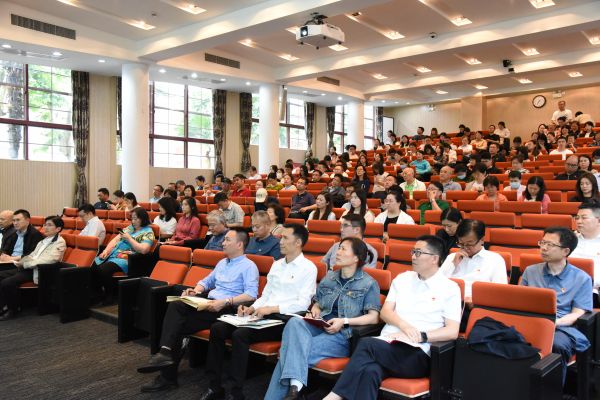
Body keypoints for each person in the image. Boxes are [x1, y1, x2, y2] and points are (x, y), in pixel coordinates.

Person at [323, 235, 460, 400]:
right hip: (387, 344)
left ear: (434, 259)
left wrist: (420, 336)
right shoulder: (403, 279)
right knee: (370, 371)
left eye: (418, 253)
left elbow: (452, 331)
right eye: (413, 251)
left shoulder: (450, 288)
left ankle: (334, 395)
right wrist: (404, 326)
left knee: (366, 344)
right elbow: (385, 312)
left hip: (417, 353)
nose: (413, 256)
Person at [200, 224, 316, 400]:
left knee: (240, 335)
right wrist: (252, 307)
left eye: (285, 238)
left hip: (284, 319)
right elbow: (266, 295)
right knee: (218, 328)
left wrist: (271, 309)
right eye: (281, 237)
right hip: (263, 314)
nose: (280, 241)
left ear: (298, 242)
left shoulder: (308, 268)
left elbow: (302, 303)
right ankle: (214, 386)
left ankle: (236, 392)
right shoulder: (277, 264)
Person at [137, 228, 259, 392]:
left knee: (177, 325)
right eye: (224, 240)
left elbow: (251, 295)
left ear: (239, 245)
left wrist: (226, 301)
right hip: (209, 303)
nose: (223, 243)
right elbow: (207, 281)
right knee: (177, 307)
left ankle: (166, 369)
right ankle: (166, 358)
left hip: (225, 308)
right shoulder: (223, 263)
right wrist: (196, 290)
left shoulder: (249, 266)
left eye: (227, 240)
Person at [265, 237, 381, 400]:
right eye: (339, 248)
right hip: (319, 325)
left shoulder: (368, 283)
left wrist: (344, 321)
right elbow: (318, 303)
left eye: (343, 249)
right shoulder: (330, 277)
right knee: (295, 322)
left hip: (341, 335)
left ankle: (294, 389)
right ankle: (295, 389)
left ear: (356, 258)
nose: (337, 252)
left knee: (291, 351)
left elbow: (374, 318)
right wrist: (315, 310)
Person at [521, 226, 591, 383]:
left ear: (565, 251)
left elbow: (577, 313)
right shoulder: (530, 271)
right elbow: (520, 302)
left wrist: (554, 323)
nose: (543, 248)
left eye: (550, 245)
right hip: (531, 321)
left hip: (561, 326)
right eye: (542, 242)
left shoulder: (582, 278)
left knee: (556, 343)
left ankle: (551, 390)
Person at [0, 216, 66, 321]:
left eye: (49, 225)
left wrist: (25, 264)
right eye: (45, 225)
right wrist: (21, 262)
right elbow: (32, 255)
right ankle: (3, 305)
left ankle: (13, 309)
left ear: (58, 229)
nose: (46, 227)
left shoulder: (60, 242)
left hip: (38, 271)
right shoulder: (43, 241)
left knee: (7, 283)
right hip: (27, 268)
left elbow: (49, 260)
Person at [91, 207, 155, 304]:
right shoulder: (130, 228)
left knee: (103, 269)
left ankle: (109, 295)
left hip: (128, 259)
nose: (133, 221)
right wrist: (106, 251)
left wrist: (129, 239)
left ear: (143, 218)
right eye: (132, 218)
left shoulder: (148, 232)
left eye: (135, 219)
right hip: (113, 254)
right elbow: (115, 239)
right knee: (92, 265)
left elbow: (144, 250)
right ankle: (97, 294)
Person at [440, 219, 507, 302]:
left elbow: (500, 292)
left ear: (482, 240)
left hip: (478, 304)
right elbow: (437, 283)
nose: (465, 248)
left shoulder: (495, 260)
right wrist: (453, 264)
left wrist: (477, 300)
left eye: (469, 244)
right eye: (461, 243)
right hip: (448, 301)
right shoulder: (452, 257)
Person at [570, 203, 600, 290]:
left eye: (584, 218)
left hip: (593, 289)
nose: (579, 221)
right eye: (577, 218)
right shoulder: (570, 241)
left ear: (598, 221)